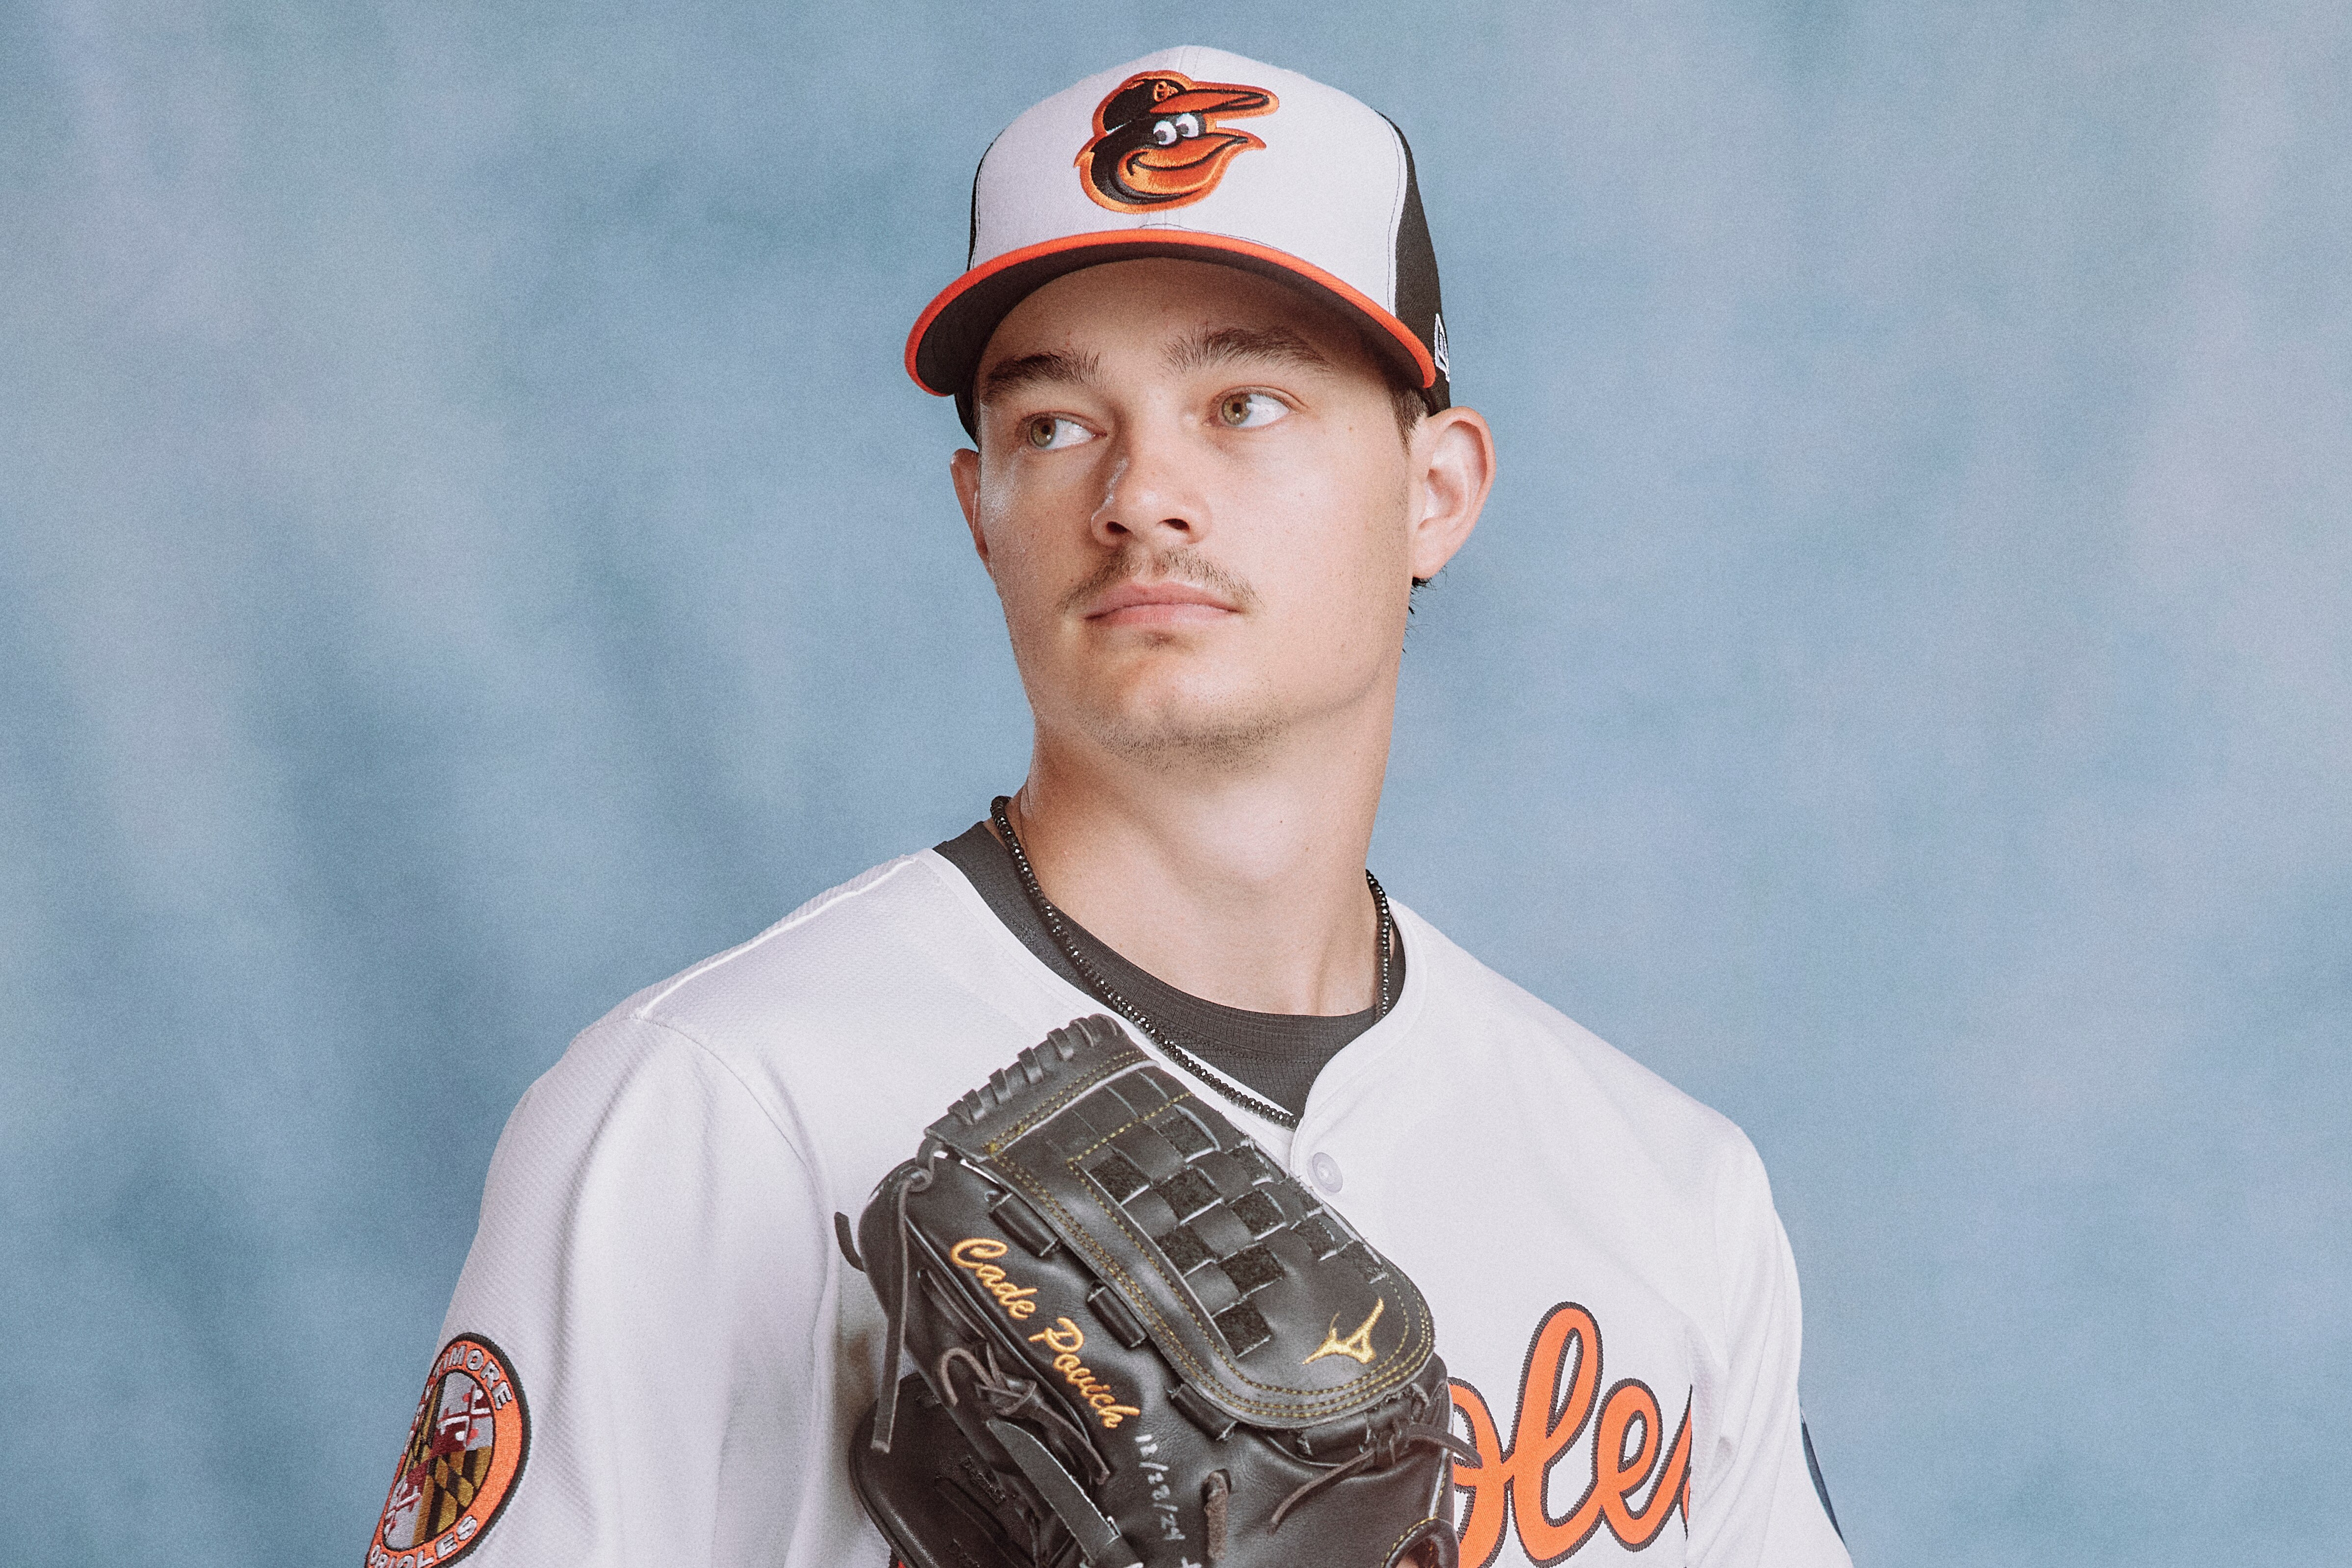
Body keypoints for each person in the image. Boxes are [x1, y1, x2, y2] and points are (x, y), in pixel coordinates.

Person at [366, 45, 1852, 1568]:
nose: (1142, 492)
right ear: (979, 512)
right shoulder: (705, 1108)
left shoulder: (1668, 1191)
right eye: (1055, 424)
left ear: (1437, 488)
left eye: (1246, 401)